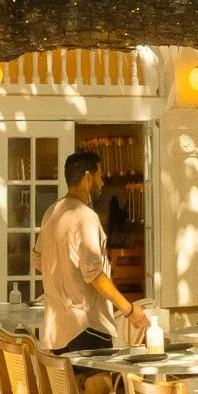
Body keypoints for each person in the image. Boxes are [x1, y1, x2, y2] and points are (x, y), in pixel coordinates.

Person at [33, 148, 149, 354]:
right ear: (87, 178)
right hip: (87, 326)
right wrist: (129, 310)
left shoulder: (52, 213)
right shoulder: (85, 217)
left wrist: (65, 280)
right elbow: (94, 273)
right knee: (101, 386)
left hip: (57, 329)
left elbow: (37, 262)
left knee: (68, 387)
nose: (102, 183)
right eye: (100, 176)